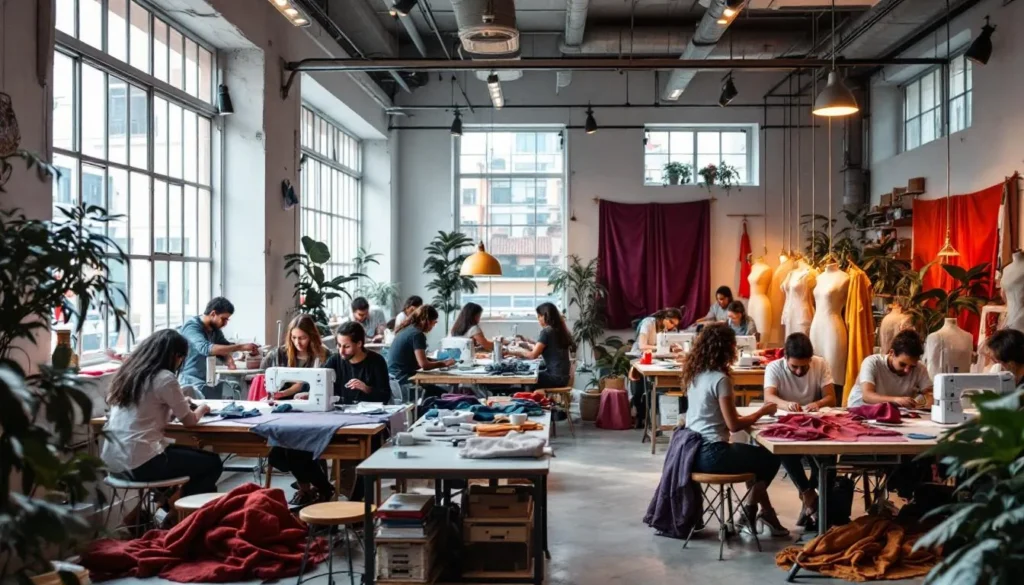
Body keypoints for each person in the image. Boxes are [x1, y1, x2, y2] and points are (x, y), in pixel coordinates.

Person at [681, 323, 787, 537]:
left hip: (693, 452)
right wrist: (762, 411)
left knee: (752, 459)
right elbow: (733, 425)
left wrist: (748, 417)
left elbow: (720, 415)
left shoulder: (695, 374)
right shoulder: (721, 380)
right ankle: (749, 510)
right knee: (771, 457)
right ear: (727, 348)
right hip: (714, 454)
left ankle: (765, 513)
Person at [271, 322, 392, 506]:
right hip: (335, 420)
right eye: (339, 345)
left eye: (346, 346)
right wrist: (309, 393)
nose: (341, 350)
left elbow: (384, 396)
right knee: (290, 447)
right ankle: (324, 488)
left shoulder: (376, 361)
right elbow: (319, 380)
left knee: (365, 453)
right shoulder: (336, 360)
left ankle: (354, 504)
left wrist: (366, 388)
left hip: (366, 423)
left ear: (359, 344)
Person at [101, 329, 224, 500]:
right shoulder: (164, 377)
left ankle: (166, 508)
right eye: (181, 358)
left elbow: (148, 413)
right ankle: (183, 511)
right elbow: (190, 422)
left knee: (187, 457)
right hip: (139, 464)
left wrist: (177, 406)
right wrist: (203, 407)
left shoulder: (129, 374)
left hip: (113, 463)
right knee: (211, 463)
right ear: (175, 356)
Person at [763, 333, 837, 526]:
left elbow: (831, 398)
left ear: (810, 359)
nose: (798, 371)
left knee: (828, 460)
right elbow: (769, 397)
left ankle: (811, 502)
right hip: (786, 423)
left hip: (814, 421)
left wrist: (817, 403)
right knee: (785, 448)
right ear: (785, 357)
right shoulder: (774, 367)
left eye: (804, 367)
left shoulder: (820, 364)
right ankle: (808, 494)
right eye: (794, 366)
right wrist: (786, 404)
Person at [178, 297, 260, 397]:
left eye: (227, 320)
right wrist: (241, 347)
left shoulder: (214, 330)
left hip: (205, 378)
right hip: (189, 380)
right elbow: (206, 348)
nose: (225, 323)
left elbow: (224, 346)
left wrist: (242, 354)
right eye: (223, 319)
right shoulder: (192, 327)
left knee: (232, 390)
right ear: (213, 314)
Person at [847, 329, 933, 407]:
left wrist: (928, 404)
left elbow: (930, 394)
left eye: (912, 366)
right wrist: (896, 400)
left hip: (894, 411)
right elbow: (867, 396)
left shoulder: (919, 367)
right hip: (860, 408)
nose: (907, 370)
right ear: (892, 353)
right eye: (902, 364)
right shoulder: (872, 362)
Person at [387, 305, 455, 396]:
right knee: (446, 396)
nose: (433, 326)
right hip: (404, 382)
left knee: (441, 392)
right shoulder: (417, 334)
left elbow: (417, 359)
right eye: (434, 323)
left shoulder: (407, 330)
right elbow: (424, 365)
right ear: (427, 321)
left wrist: (436, 361)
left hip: (395, 380)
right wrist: (443, 364)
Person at [259, 314, 327, 400]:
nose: (297, 342)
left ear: (311, 336)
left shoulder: (322, 356)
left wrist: (282, 394)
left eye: (302, 338)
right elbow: (262, 374)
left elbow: (303, 383)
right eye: (294, 337)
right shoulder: (278, 354)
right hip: (282, 402)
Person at [512, 303, 575, 389]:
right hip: (563, 378)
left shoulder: (547, 331)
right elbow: (545, 346)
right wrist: (527, 342)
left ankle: (527, 396)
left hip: (555, 379)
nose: (538, 319)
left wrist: (515, 351)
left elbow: (533, 355)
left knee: (527, 377)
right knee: (533, 373)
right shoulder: (558, 330)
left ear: (546, 316)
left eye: (539, 316)